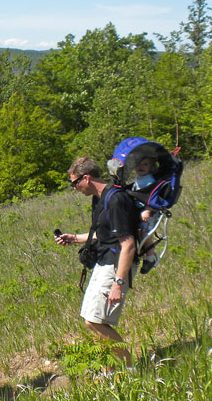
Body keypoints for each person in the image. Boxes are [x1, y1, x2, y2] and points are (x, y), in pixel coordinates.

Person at [55, 157, 139, 371]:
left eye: (75, 183)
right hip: (104, 261)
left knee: (93, 320)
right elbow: (102, 236)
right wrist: (74, 238)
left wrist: (118, 283)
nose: (75, 188)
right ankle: (110, 370)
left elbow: (128, 244)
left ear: (87, 178)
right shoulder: (99, 198)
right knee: (94, 319)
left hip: (115, 264)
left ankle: (129, 369)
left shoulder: (115, 200)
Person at [132, 156, 159, 274]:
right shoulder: (140, 178)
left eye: (145, 164)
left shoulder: (149, 180)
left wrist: (147, 210)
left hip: (149, 211)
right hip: (141, 210)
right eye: (138, 164)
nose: (141, 167)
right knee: (140, 233)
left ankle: (150, 258)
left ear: (151, 167)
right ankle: (145, 254)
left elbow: (152, 196)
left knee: (146, 235)